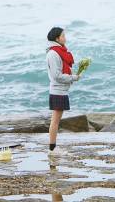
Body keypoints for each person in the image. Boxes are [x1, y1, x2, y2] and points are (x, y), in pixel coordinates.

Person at [45, 27, 79, 157]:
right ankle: (52, 149)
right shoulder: (53, 54)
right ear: (57, 38)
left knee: (56, 120)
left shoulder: (58, 52)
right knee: (55, 121)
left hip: (61, 90)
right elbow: (56, 75)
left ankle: (52, 148)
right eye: (63, 36)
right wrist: (73, 78)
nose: (65, 38)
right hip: (57, 91)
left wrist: (72, 76)